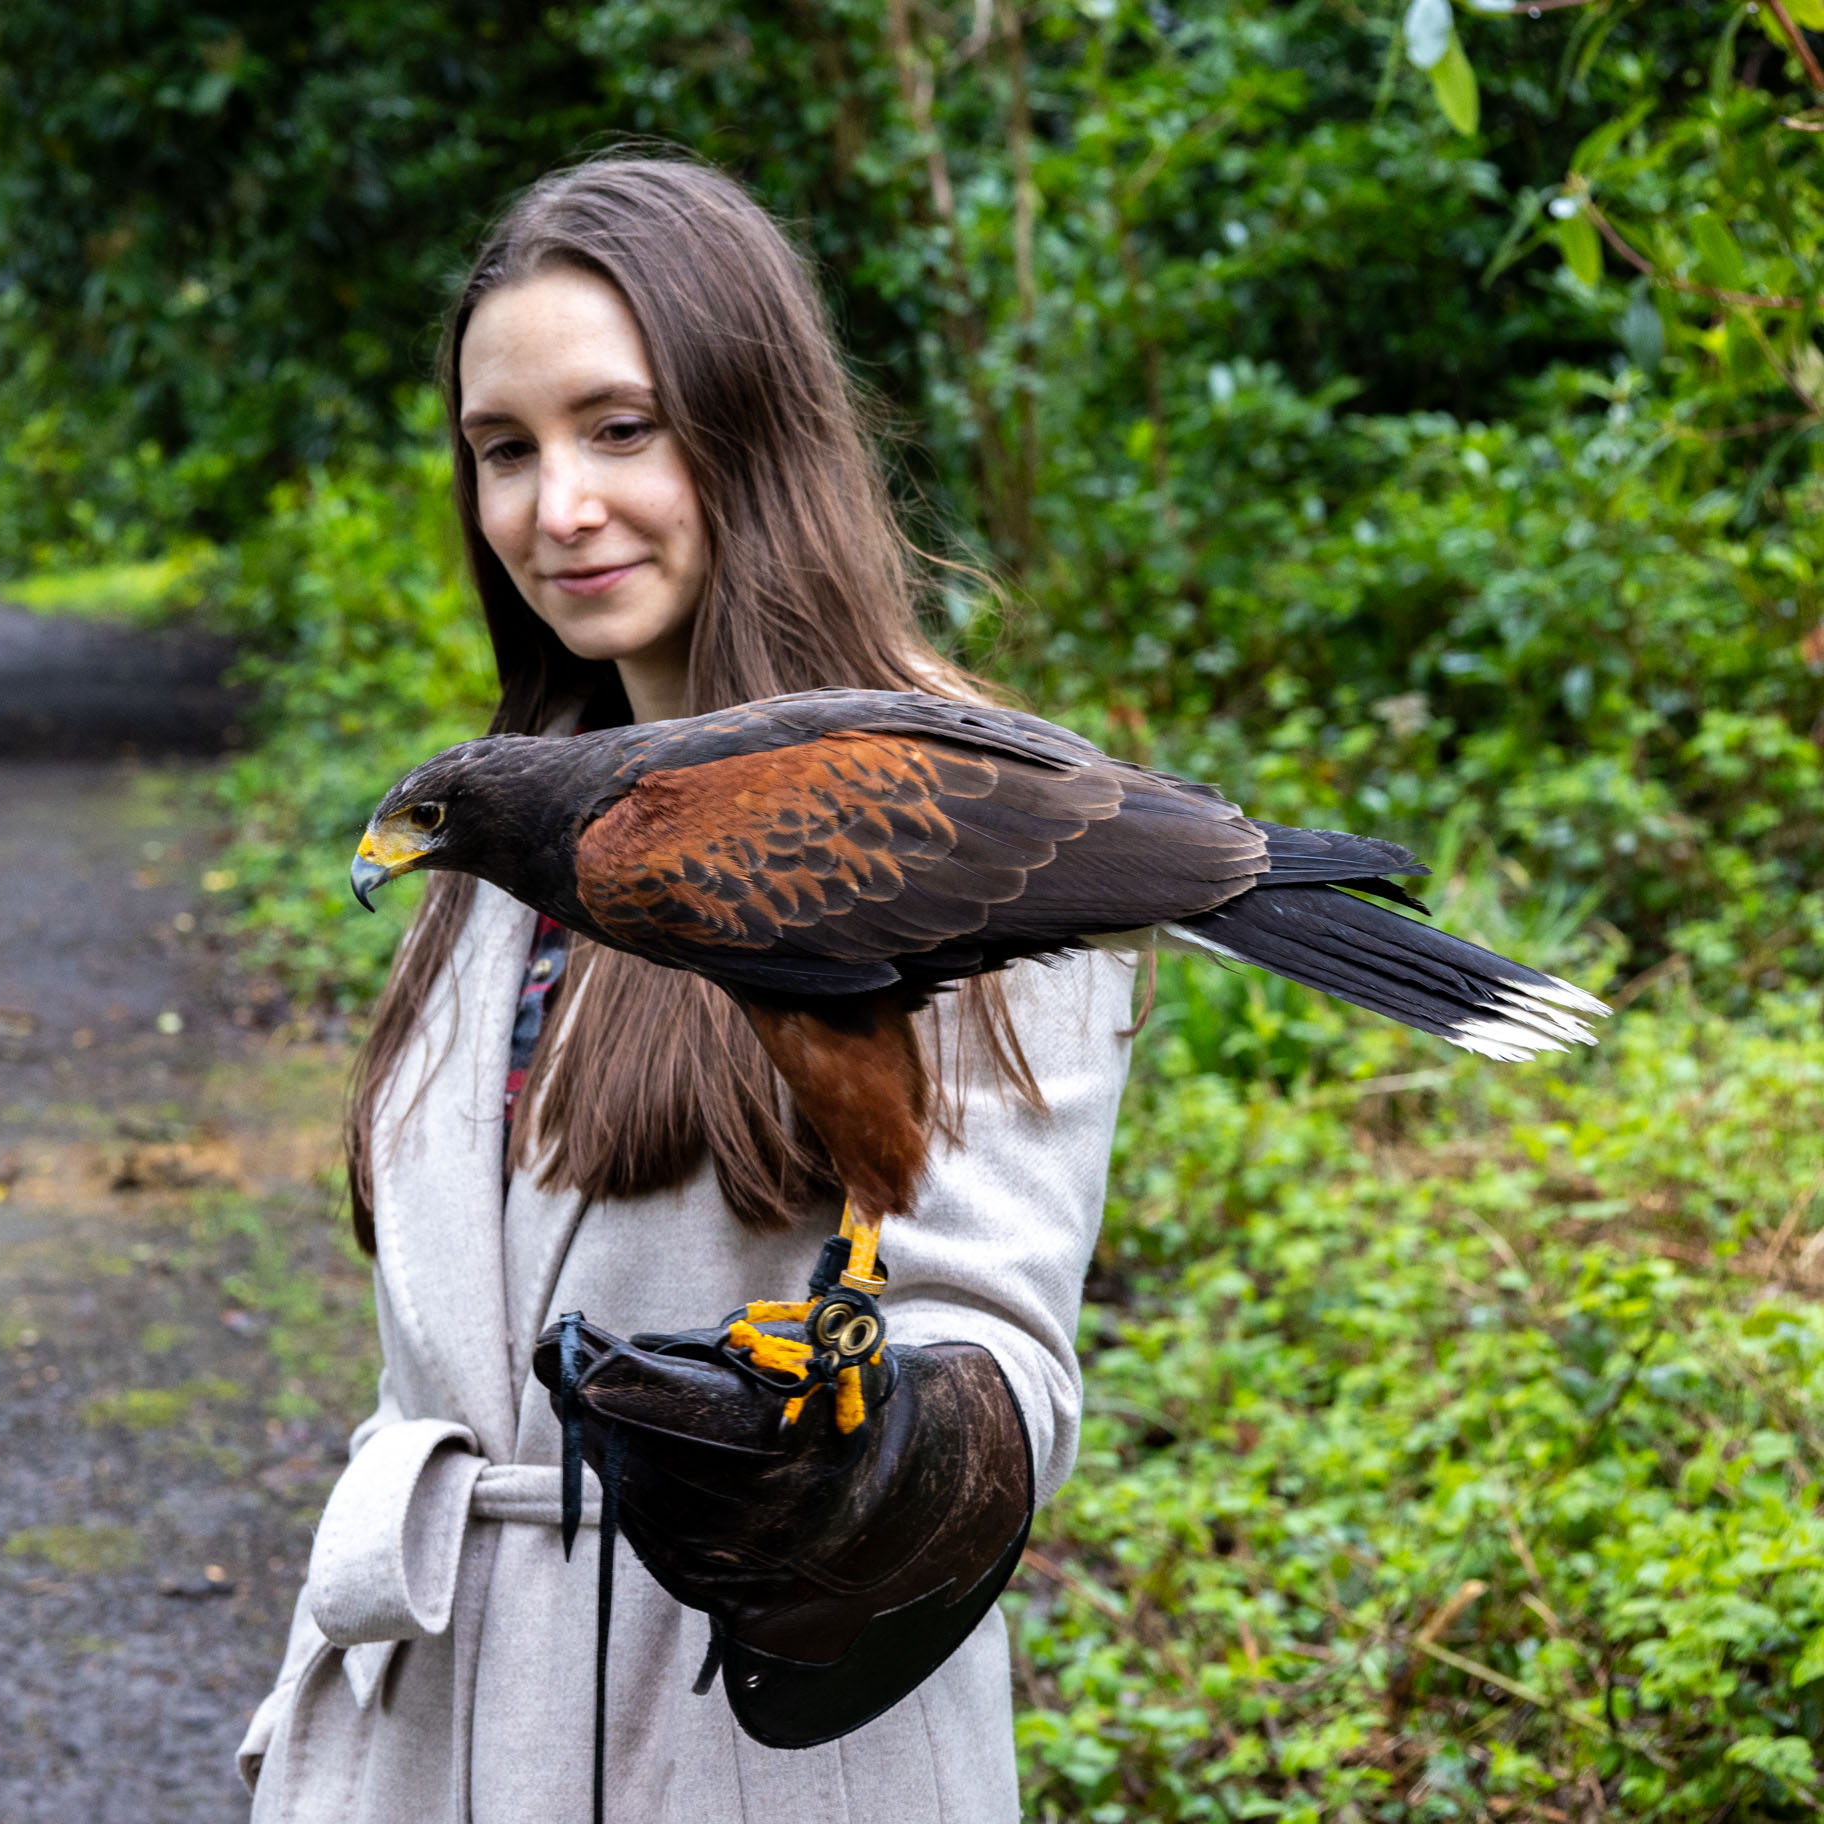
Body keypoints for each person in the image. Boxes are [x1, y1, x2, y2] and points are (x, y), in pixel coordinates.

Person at [237, 153, 1137, 1824]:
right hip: (432, 1735)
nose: (554, 504)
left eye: (620, 427)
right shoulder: (506, 822)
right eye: (504, 450)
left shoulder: (954, 805)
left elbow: (994, 1345)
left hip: (745, 1745)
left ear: (753, 428)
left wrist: (863, 1464)